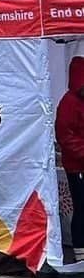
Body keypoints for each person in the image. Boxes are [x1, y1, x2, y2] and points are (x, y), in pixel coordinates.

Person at [56, 56, 84, 257]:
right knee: (81, 208)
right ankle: (80, 250)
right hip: (77, 166)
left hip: (78, 162)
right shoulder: (69, 102)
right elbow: (65, 136)